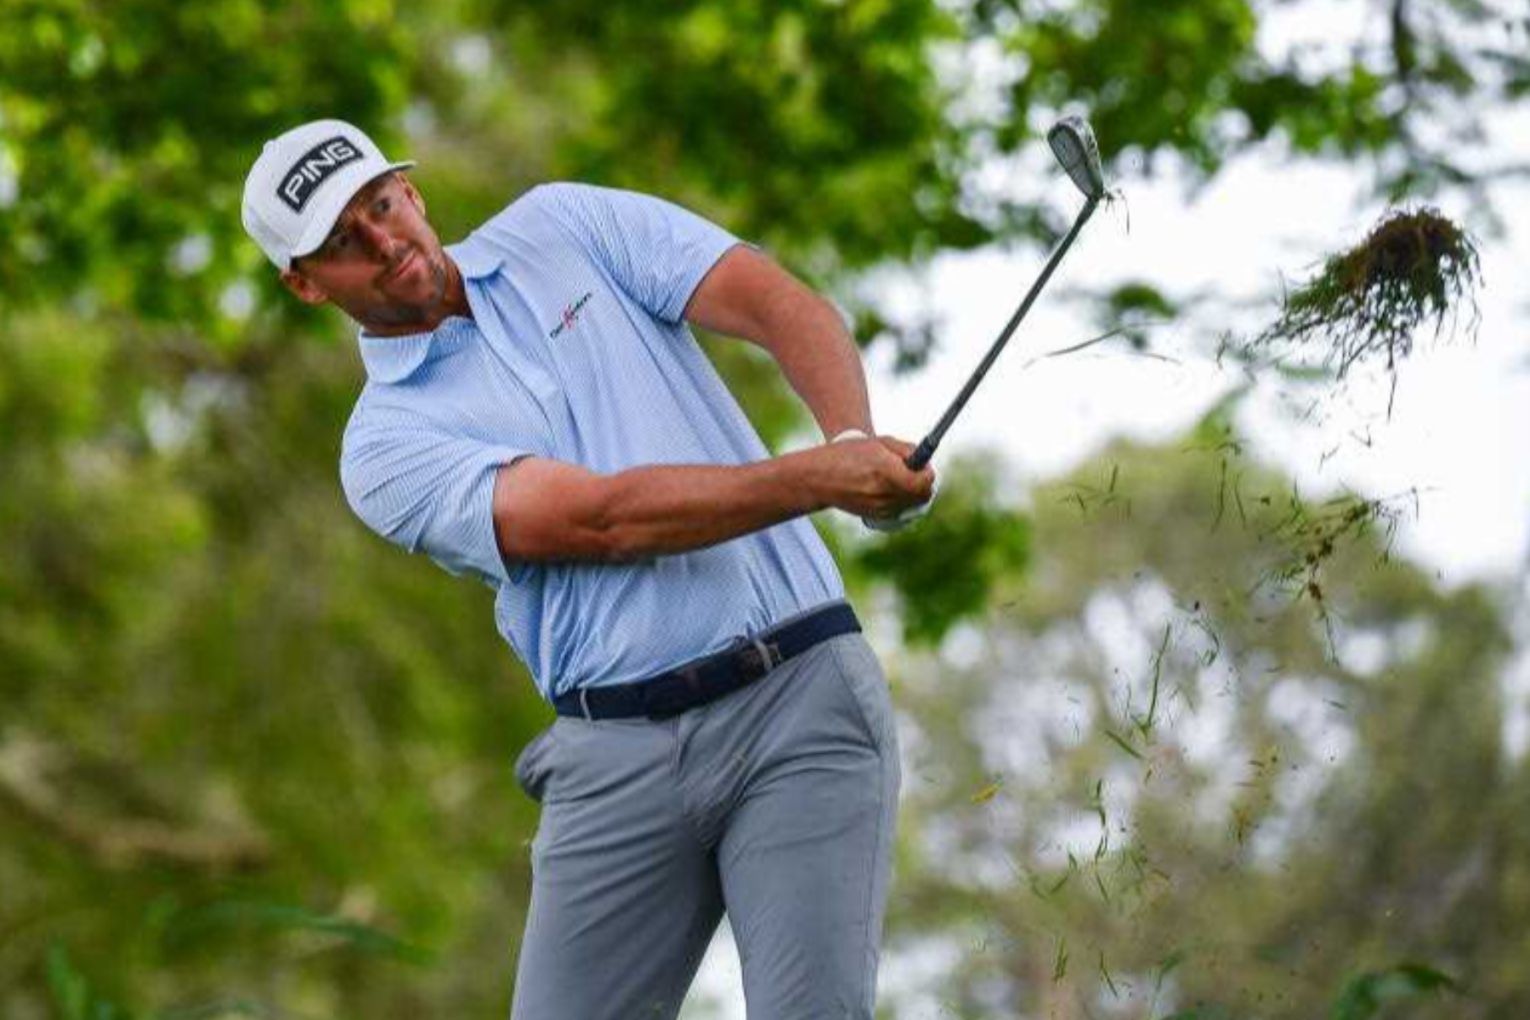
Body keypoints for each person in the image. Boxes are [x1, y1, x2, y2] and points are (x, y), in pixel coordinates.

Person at [241, 118, 936, 1019]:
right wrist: (821, 478)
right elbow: (604, 522)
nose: (382, 242)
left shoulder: (563, 226)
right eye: (342, 243)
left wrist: (850, 438)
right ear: (305, 284)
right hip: (615, 759)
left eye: (380, 206)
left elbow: (775, 302)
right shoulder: (383, 450)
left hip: (797, 696)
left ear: (410, 192)